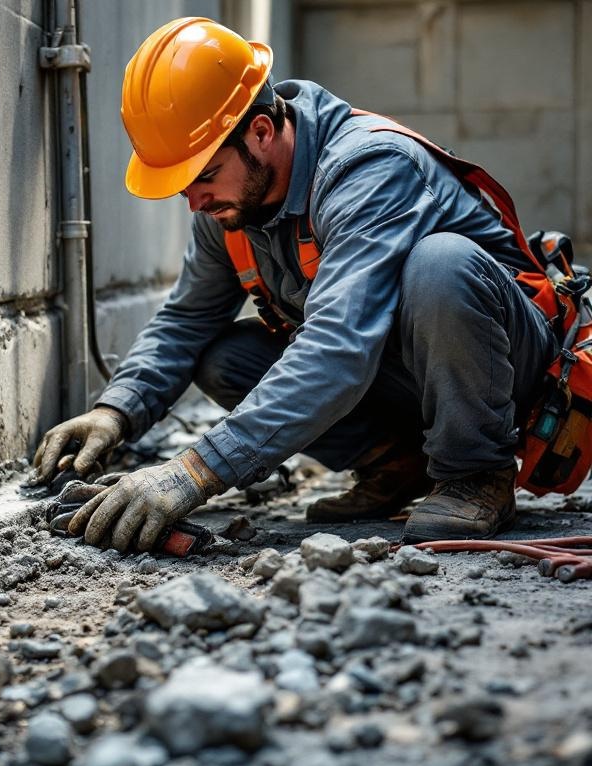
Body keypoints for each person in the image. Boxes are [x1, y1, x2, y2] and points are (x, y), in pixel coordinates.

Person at [32, 17, 559, 551]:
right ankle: (399, 464)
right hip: (405, 368)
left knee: (440, 264)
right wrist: (114, 411)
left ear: (260, 131)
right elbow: (187, 319)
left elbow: (339, 344)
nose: (193, 202)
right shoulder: (231, 207)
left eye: (203, 177)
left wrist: (195, 472)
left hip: (505, 367)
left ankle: (474, 471)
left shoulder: (368, 170)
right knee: (225, 355)